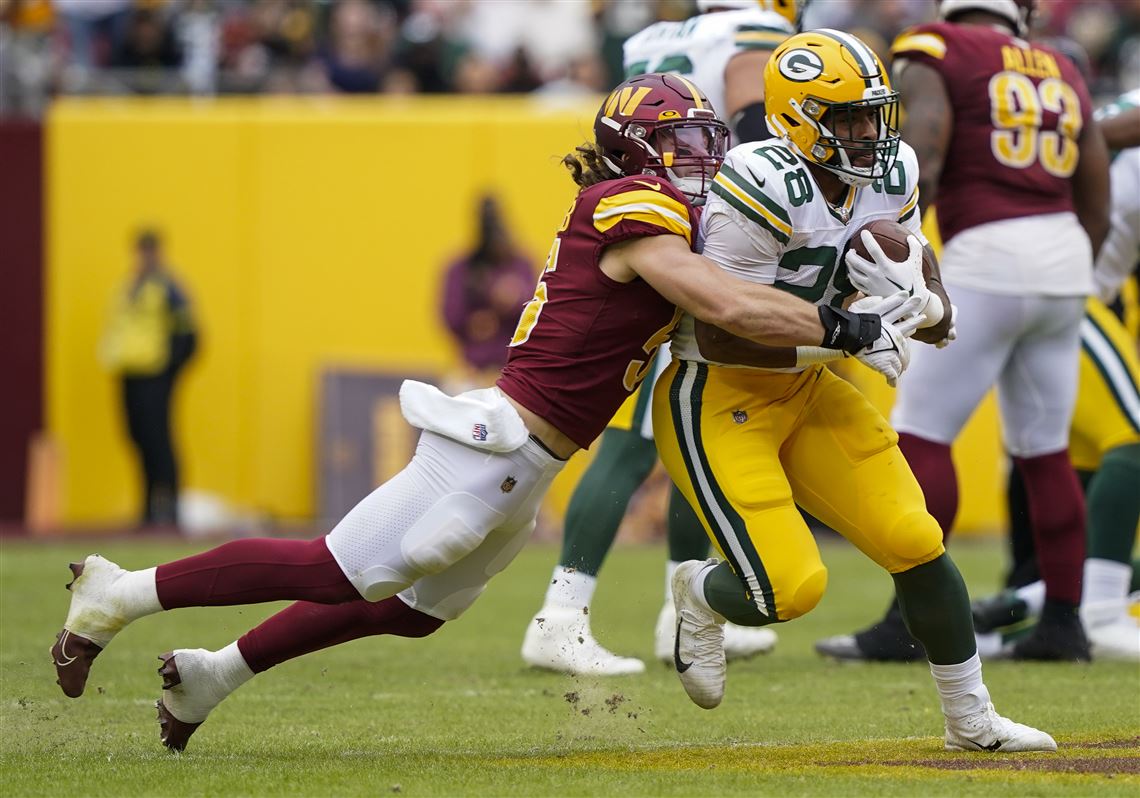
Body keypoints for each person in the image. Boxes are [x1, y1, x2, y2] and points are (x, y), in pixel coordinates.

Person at [52, 73, 909, 752]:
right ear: (632, 150)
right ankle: (116, 595)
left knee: (412, 612)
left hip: (533, 461)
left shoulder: (665, 210)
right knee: (332, 569)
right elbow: (723, 302)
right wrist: (846, 324)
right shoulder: (631, 208)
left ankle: (212, 676)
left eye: (705, 141)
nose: (698, 158)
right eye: (679, 144)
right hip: (492, 446)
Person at [656, 27, 1057, 753]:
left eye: (874, 114)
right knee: (789, 588)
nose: (870, 133)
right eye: (849, 118)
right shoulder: (760, 180)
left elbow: (913, 258)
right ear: (798, 118)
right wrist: (848, 333)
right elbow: (722, 330)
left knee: (914, 538)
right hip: (720, 392)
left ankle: (970, 721)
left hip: (810, 386)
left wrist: (934, 309)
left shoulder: (891, 169)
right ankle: (696, 594)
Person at [814, 0, 1111, 663]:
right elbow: (1094, 184)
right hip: (1062, 258)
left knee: (922, 430)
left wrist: (899, 256)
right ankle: (1065, 620)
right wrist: (1073, 262)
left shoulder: (937, 47)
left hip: (985, 254)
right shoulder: (1060, 62)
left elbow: (926, 157)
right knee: (1045, 449)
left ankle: (910, 618)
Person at [521, 0, 800, 676]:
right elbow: (751, 121)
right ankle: (561, 612)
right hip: (694, 233)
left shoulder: (654, 35)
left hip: (666, 221)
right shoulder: (752, 31)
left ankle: (682, 610)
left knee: (691, 425)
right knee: (635, 436)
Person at [973, 88, 1140, 661]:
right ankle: (1098, 612)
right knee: (1134, 441)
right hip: (1066, 288)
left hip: (1070, 286)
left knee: (1084, 473)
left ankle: (1012, 617)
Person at [99, 229, 197, 528]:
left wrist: (170, 369)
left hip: (156, 375)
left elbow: (189, 334)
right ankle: (147, 509)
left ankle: (170, 507)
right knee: (138, 438)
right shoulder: (129, 286)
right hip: (130, 373)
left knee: (160, 439)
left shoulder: (168, 288)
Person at [440, 194, 536, 388]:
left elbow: (536, 310)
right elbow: (450, 315)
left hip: (514, 369)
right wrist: (474, 322)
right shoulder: (462, 267)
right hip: (471, 368)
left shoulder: (520, 265)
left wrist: (511, 300)